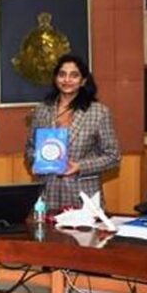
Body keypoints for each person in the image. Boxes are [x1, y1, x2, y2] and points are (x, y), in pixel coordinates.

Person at [24, 54, 121, 212]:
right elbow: (30, 147)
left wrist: (80, 166)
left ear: (83, 81)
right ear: (55, 78)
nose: (67, 80)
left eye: (74, 75)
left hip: (84, 196)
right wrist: (35, 161)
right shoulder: (42, 110)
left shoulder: (98, 112)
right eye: (62, 74)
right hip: (48, 194)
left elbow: (113, 156)